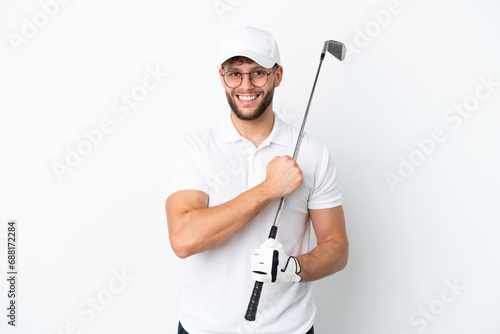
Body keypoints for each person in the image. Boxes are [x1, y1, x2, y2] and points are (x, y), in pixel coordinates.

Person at [165, 26, 348, 334]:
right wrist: (268, 189)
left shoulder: (313, 153)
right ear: (221, 77)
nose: (246, 85)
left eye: (258, 73)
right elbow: (183, 239)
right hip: (202, 329)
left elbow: (337, 246)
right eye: (234, 73)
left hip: (288, 328)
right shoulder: (195, 148)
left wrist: (295, 269)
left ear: (277, 76)